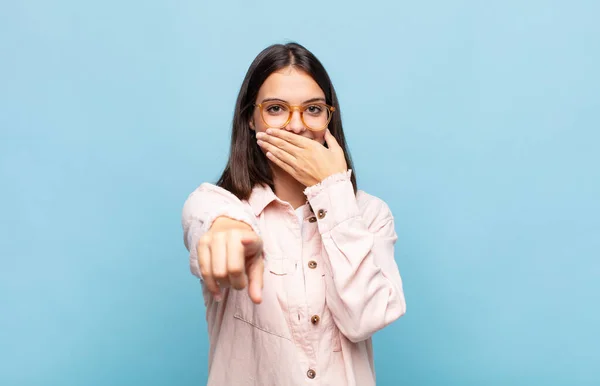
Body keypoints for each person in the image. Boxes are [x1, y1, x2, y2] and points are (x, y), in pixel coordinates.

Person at [181, 42, 406, 386]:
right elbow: (209, 218)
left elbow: (365, 318)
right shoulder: (217, 204)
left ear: (330, 118)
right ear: (251, 119)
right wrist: (224, 231)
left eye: (313, 109)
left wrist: (332, 188)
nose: (296, 125)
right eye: (276, 108)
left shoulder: (370, 213)